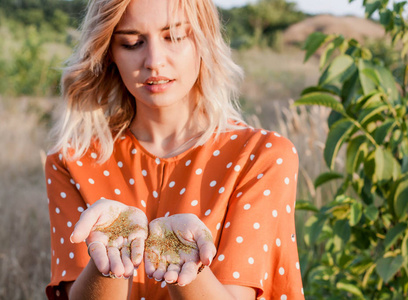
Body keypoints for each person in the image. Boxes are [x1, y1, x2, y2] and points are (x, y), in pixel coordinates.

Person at [44, 0, 305, 298]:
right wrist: (109, 261)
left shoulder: (262, 156)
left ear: (204, 40)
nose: (154, 60)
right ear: (109, 54)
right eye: (132, 43)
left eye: (175, 37)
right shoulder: (71, 162)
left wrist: (188, 267)